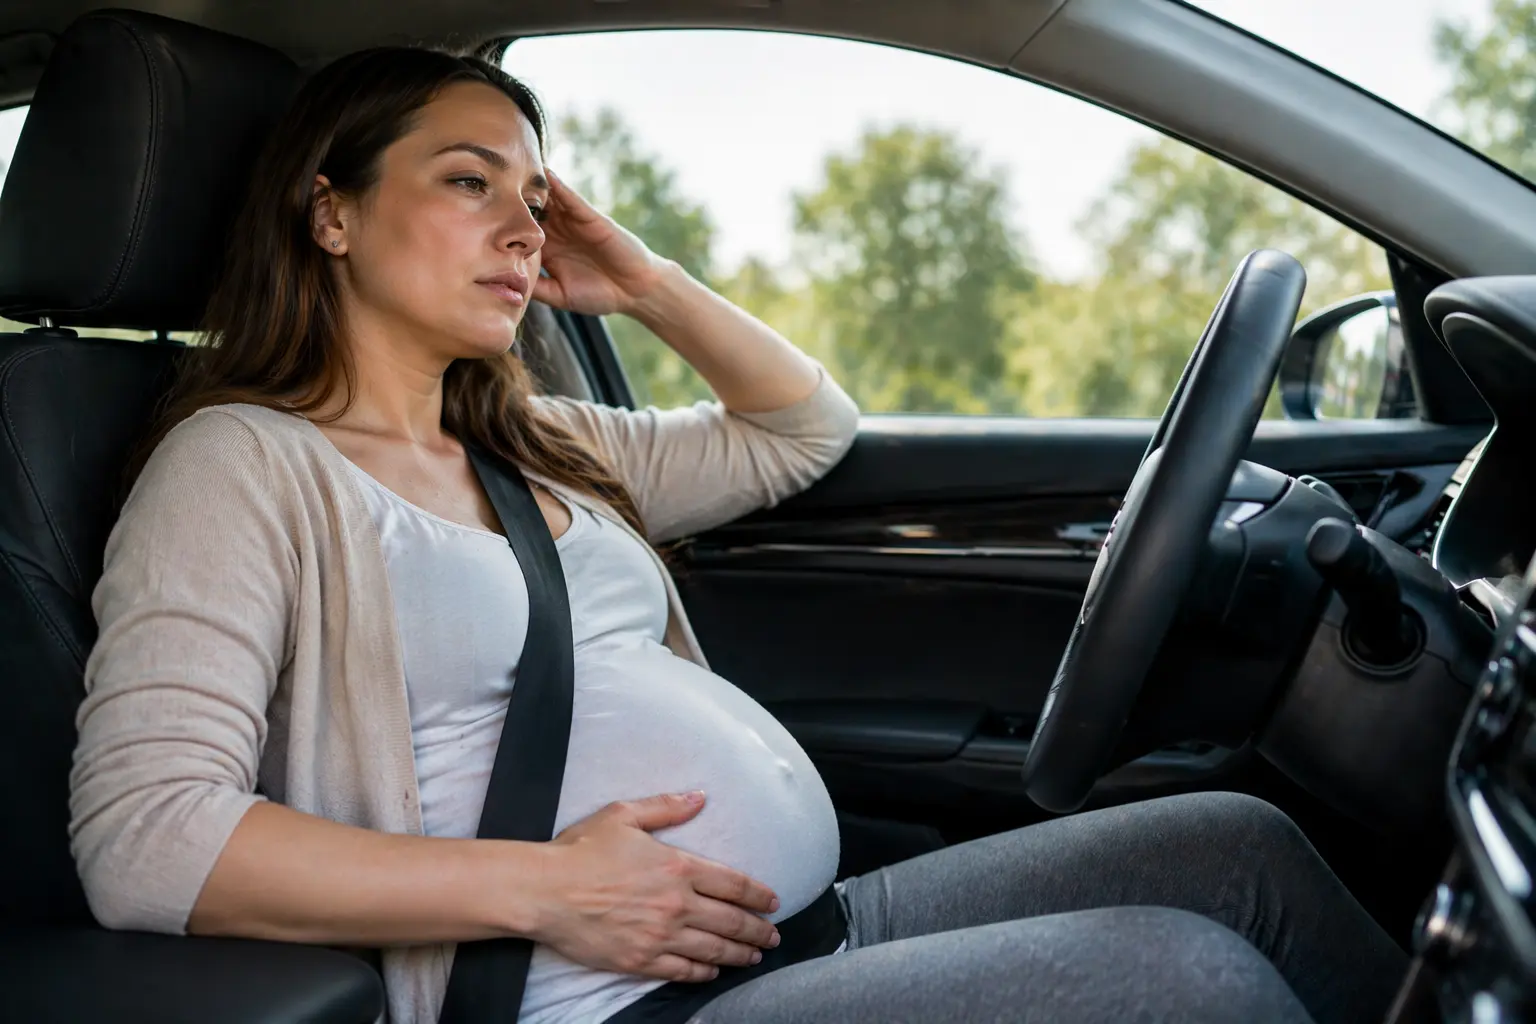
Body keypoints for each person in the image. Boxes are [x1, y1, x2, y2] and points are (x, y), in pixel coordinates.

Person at [69, 47, 1407, 1024]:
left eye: (534, 203)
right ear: (333, 212)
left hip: (785, 936)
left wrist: (636, 279)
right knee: (1189, 984)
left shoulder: (542, 441)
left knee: (1236, 848)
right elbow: (149, 840)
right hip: (600, 1003)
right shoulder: (243, 463)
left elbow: (800, 428)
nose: (521, 231)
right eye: (468, 181)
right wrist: (545, 892)